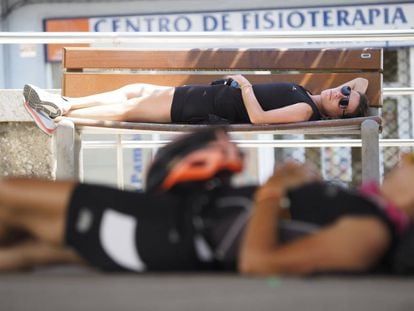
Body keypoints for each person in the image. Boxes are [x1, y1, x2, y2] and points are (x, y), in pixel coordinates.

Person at [0, 128, 412, 275]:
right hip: (179, 220)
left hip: (169, 233)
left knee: (7, 198)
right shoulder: (369, 211)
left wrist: (275, 187)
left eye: (413, 160)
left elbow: (260, 263)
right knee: (20, 254)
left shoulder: (370, 234)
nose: (404, 159)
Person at [22, 76, 369, 135]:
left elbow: (261, 119)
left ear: (335, 112)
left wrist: (246, 87)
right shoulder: (304, 92)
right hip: (203, 94)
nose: (340, 95)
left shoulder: (305, 110)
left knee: (130, 108)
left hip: (204, 109)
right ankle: (65, 104)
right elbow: (361, 86)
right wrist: (356, 97)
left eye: (343, 104)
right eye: (343, 92)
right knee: (136, 90)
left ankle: (62, 115)